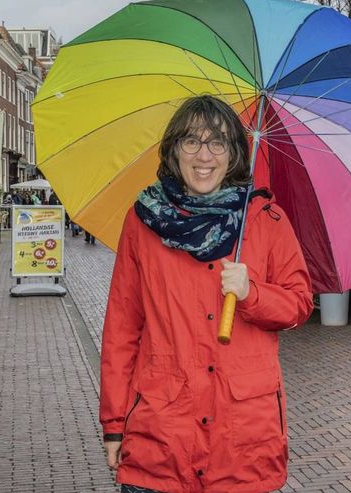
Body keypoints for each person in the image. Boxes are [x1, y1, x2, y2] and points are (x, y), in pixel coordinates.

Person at [99, 95, 313, 493]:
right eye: (191, 141)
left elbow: (299, 305)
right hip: (160, 438)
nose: (204, 155)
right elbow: (122, 329)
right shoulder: (144, 221)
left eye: (217, 142)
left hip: (244, 444)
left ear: (234, 153)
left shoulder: (267, 219)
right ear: (173, 150)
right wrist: (114, 424)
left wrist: (252, 294)